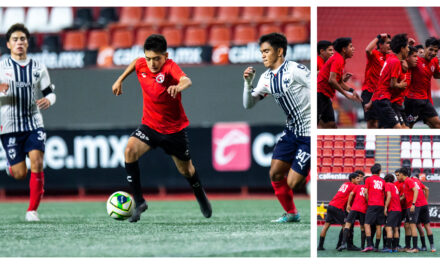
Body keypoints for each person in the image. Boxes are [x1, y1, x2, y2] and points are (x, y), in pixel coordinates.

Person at [112, 34, 212, 222]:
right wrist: (120, 79)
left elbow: (186, 80)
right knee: (129, 151)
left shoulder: (170, 67)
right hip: (150, 126)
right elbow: (136, 62)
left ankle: (199, 194)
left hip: (174, 131)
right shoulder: (142, 63)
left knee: (187, 171)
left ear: (165, 56)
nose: (152, 63)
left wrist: (178, 87)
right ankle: (139, 201)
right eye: (149, 58)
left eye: (156, 58)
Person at [243, 32, 310, 223]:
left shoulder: (296, 70)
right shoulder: (266, 78)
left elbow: (316, 87)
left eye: (266, 51)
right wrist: (247, 84)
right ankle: (291, 213)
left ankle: (315, 171)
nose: (263, 55)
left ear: (279, 51)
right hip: (291, 131)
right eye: (261, 52)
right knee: (275, 173)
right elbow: (248, 104)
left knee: (294, 182)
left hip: (309, 134)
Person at [0, 23, 56, 221]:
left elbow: (50, 93)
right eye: (15, 39)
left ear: (27, 42)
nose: (19, 43)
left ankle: (32, 210)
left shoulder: (38, 67)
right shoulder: (1, 66)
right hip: (9, 126)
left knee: (37, 162)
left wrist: (48, 100)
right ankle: (12, 166)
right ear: (8, 44)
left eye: (22, 39)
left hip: (34, 122)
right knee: (19, 174)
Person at [317, 37, 362, 128]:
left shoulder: (341, 60)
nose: (353, 49)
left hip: (325, 96)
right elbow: (332, 80)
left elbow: (339, 82)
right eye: (351, 46)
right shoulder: (337, 59)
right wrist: (346, 94)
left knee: (331, 125)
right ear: (344, 49)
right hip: (320, 95)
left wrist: (352, 90)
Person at [368, 34, 409, 129]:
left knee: (392, 129)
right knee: (398, 129)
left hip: (381, 99)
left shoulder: (391, 58)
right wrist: (401, 85)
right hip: (383, 99)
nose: (408, 49)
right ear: (402, 48)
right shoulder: (395, 62)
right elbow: (393, 84)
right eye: (407, 47)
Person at [318, 173, 361, 250]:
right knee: (346, 226)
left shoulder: (345, 184)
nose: (359, 180)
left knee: (326, 226)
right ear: (352, 179)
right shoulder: (354, 186)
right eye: (357, 178)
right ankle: (345, 245)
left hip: (331, 205)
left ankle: (320, 246)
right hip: (338, 207)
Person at [405, 37, 440, 128]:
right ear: (425, 48)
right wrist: (408, 45)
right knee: (407, 128)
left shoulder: (435, 61)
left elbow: (436, 75)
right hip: (413, 100)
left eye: (436, 51)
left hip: (425, 100)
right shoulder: (416, 60)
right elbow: (403, 59)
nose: (433, 53)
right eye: (431, 49)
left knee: (437, 125)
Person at [361, 33, 391, 128]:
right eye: (388, 43)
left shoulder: (390, 57)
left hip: (381, 94)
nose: (390, 46)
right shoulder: (374, 54)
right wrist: (378, 37)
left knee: (381, 123)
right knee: (372, 122)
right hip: (369, 92)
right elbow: (367, 49)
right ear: (380, 45)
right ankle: (370, 141)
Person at [337, 172, 367, 251]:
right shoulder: (365, 188)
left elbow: (351, 194)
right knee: (362, 228)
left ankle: (343, 244)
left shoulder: (357, 187)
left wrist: (348, 205)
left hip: (353, 209)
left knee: (347, 226)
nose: (359, 179)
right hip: (362, 210)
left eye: (360, 178)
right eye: (358, 178)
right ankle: (362, 247)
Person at [362, 163, 386, 252]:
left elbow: (365, 192)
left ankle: (369, 245)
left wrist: (368, 202)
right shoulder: (383, 181)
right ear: (379, 171)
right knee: (378, 225)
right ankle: (376, 246)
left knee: (367, 224)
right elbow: (384, 194)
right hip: (381, 205)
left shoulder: (368, 179)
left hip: (372, 204)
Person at [382, 174, 402, 252]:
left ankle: (388, 247)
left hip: (392, 209)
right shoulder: (395, 186)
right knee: (396, 228)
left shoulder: (387, 184)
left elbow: (389, 196)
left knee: (388, 227)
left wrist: (385, 207)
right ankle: (395, 247)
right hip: (398, 210)